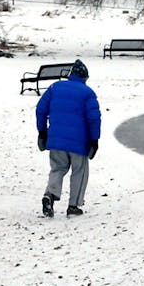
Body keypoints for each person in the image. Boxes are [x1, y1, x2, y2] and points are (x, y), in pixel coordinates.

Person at [35, 59, 101, 217]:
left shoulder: (55, 88)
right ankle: (73, 206)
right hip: (79, 142)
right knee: (80, 171)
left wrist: (42, 131)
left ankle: (50, 195)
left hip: (56, 139)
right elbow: (94, 119)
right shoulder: (88, 93)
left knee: (57, 168)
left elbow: (40, 109)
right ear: (84, 77)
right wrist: (94, 140)